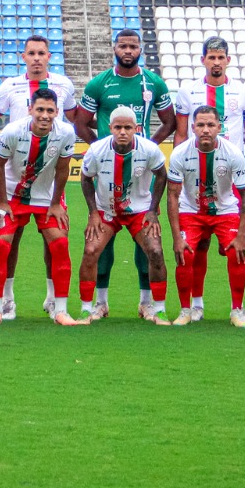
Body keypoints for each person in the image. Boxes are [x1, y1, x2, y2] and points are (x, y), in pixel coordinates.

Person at [74, 29, 176, 318]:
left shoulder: (153, 82)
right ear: (114, 48)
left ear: (140, 49)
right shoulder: (100, 83)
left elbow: (168, 121)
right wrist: (99, 149)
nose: (128, 50)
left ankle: (147, 303)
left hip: (140, 170)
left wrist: (146, 149)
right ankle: (100, 303)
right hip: (107, 169)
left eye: (133, 46)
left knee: (146, 240)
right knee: (100, 243)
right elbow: (80, 123)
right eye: (123, 46)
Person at [0, 33, 78, 318]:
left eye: (42, 53)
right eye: (31, 53)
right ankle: (7, 299)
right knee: (10, 240)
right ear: (24, 56)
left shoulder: (63, 84)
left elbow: (71, 117)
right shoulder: (9, 86)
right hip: (15, 180)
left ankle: (53, 298)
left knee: (53, 239)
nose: (37, 58)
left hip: (49, 181)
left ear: (49, 56)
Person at [173, 35, 245, 315]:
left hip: (231, 173)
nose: (216, 62)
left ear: (228, 61)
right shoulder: (187, 92)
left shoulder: (244, 92)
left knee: (230, 243)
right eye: (212, 57)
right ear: (203, 60)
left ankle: (237, 308)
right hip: (197, 171)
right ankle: (195, 304)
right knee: (198, 243)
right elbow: (182, 133)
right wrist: (181, 167)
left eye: (221, 57)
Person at [77, 106, 170, 323]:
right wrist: (93, 213)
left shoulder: (149, 149)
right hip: (107, 210)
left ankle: (157, 308)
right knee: (91, 250)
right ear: (110, 128)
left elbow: (161, 175)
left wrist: (152, 210)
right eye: (117, 127)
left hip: (139, 211)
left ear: (136, 128)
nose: (122, 132)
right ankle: (89, 307)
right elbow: (85, 178)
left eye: (127, 127)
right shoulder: (97, 150)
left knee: (155, 251)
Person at [165, 105, 245, 326]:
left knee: (236, 252)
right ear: (193, 127)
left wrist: (242, 235)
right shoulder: (179, 153)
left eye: (211, 125)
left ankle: (237, 310)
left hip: (225, 211)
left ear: (219, 127)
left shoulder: (234, 153)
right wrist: (177, 238)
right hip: (191, 211)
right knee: (186, 253)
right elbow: (173, 197)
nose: (206, 129)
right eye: (201, 125)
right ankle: (189, 308)